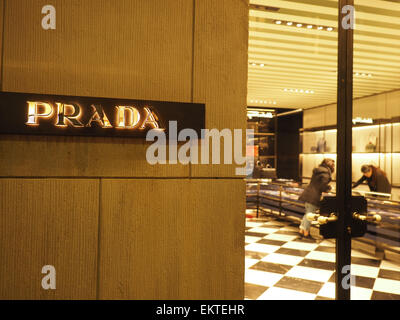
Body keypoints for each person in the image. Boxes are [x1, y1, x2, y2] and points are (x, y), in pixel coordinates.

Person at [298, 158, 335, 237]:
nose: (334, 167)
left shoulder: (319, 170)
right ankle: (306, 232)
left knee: (307, 213)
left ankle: (302, 230)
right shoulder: (325, 172)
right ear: (330, 166)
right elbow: (322, 185)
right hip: (314, 196)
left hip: (308, 194)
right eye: (333, 165)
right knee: (310, 214)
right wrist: (329, 188)